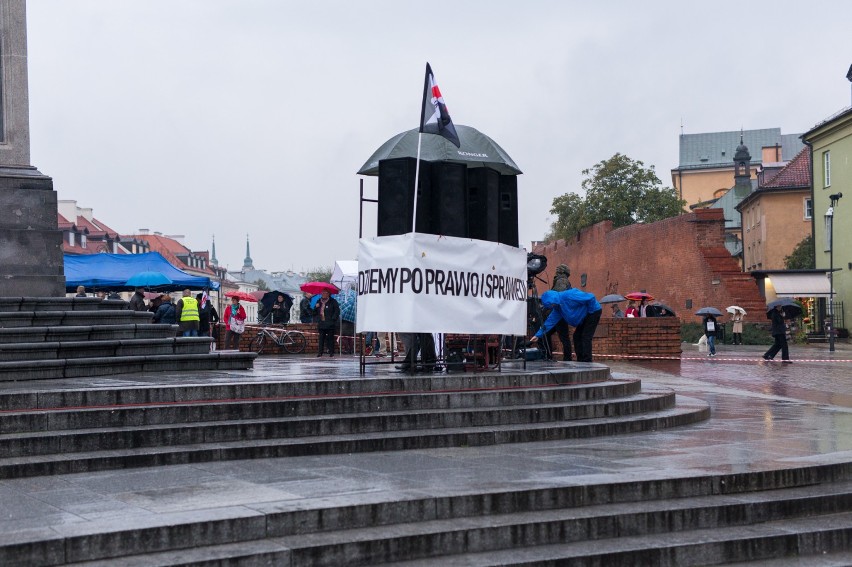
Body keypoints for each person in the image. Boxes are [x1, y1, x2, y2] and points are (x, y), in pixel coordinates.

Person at [530, 289, 602, 363]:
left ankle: (587, 361)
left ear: (554, 300)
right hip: (584, 316)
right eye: (551, 306)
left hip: (593, 311)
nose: (552, 306)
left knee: (585, 336)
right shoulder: (558, 309)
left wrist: (589, 311)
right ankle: (581, 360)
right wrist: (538, 335)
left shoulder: (569, 295)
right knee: (576, 336)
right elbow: (549, 322)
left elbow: (591, 297)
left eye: (552, 304)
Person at [545, 264, 573, 361]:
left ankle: (566, 358)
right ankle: (549, 356)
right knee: (548, 333)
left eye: (558, 269)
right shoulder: (561, 280)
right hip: (561, 312)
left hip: (560, 313)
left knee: (563, 337)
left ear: (561, 271)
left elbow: (558, 296)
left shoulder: (561, 280)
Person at [313, 289, 340, 357]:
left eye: (325, 293)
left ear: (328, 294)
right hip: (321, 323)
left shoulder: (333, 301)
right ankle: (320, 352)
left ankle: (331, 352)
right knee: (321, 338)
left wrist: (333, 319)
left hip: (330, 323)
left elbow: (337, 311)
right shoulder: (319, 301)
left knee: (330, 338)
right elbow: (314, 313)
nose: (323, 294)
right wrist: (315, 307)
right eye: (322, 293)